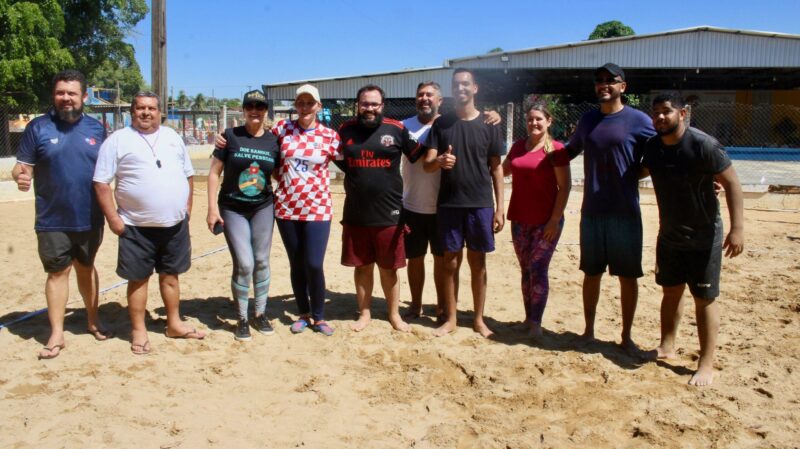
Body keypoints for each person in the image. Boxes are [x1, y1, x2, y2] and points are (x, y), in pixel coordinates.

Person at [215, 84, 341, 336]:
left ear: (318, 106)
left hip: (318, 208)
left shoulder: (330, 136)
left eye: (310, 103)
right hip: (286, 207)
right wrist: (223, 137)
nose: (305, 107)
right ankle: (303, 314)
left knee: (314, 263)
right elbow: (260, 143)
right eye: (300, 103)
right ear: (295, 105)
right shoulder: (282, 129)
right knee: (296, 263)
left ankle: (319, 317)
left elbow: (350, 163)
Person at [642, 93, 744, 386]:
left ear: (682, 113)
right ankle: (666, 346)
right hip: (669, 235)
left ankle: (706, 364)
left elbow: (732, 183)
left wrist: (737, 229)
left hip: (704, 236)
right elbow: (638, 171)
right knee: (671, 291)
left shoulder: (703, 145)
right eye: (656, 112)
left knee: (704, 299)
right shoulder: (653, 147)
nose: (660, 117)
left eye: (666, 111)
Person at [94, 91, 205, 355]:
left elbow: (188, 174)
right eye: (141, 108)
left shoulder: (172, 137)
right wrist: (113, 219)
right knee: (138, 280)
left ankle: (174, 323)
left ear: (159, 112)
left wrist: (187, 208)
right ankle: (139, 330)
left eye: (152, 108)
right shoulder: (117, 140)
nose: (146, 112)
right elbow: (101, 183)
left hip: (174, 226)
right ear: (132, 111)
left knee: (171, 276)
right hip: (135, 226)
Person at [12, 70, 111, 359]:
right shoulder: (38, 127)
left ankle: (93, 319)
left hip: (90, 216)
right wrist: (20, 176)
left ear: (84, 96)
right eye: (60, 93)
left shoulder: (97, 129)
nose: (65, 98)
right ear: (54, 95)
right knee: (57, 273)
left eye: (71, 93)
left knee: (87, 267)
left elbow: (109, 171)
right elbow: (22, 166)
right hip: (52, 218)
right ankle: (57, 332)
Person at [565, 63, 655, 354]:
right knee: (591, 273)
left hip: (625, 212)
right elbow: (569, 151)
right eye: (599, 80)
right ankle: (588, 331)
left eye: (610, 80)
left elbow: (661, 150)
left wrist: (637, 172)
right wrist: (535, 151)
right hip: (592, 210)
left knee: (628, 276)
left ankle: (626, 337)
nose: (604, 84)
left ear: (622, 86)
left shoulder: (639, 120)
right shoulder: (588, 120)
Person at [401, 82, 500, 322]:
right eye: (420, 95)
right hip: (412, 203)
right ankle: (415, 306)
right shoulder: (403, 126)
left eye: (430, 95)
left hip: (444, 205)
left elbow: (492, 161)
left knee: (443, 260)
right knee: (415, 258)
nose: (424, 98)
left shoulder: (448, 123)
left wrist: (494, 114)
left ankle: (442, 307)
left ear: (440, 100)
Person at [423, 68, 506, 338]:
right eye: (456, 84)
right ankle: (451, 318)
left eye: (466, 84)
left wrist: (500, 208)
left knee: (478, 263)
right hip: (449, 204)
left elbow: (496, 168)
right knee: (450, 262)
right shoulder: (442, 124)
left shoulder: (490, 123)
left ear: (475, 88)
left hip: (480, 204)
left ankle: (479, 319)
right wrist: (439, 161)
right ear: (451, 89)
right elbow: (427, 165)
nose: (461, 88)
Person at [334, 84, 425, 332]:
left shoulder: (397, 129)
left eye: (374, 104)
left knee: (389, 268)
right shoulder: (345, 130)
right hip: (356, 212)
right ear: (357, 105)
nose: (370, 108)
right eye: (365, 103)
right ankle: (364, 313)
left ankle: (394, 315)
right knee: (362, 266)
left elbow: (420, 154)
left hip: (390, 213)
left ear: (382, 106)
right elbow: (339, 159)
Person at [207, 90, 280, 341]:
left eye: (260, 106)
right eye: (250, 106)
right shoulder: (230, 136)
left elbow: (278, 173)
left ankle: (259, 314)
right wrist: (212, 209)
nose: (255, 111)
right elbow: (214, 173)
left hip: (262, 207)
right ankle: (242, 318)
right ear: (243, 110)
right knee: (245, 263)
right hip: (233, 207)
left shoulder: (273, 141)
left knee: (261, 261)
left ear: (266, 110)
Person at [502, 100, 571, 338]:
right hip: (520, 219)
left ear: (549, 121)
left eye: (539, 119)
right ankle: (527, 318)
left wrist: (554, 220)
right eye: (530, 119)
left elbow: (564, 187)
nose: (534, 123)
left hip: (546, 221)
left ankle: (536, 323)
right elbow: (502, 171)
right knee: (525, 270)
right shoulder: (518, 146)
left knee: (538, 269)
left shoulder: (556, 150)